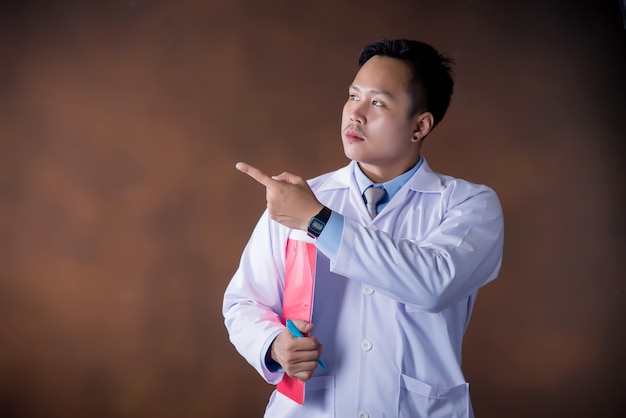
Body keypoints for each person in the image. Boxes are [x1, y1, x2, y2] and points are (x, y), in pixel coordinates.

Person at [223, 39, 504, 418]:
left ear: (419, 126)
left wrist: (317, 221)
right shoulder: (298, 198)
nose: (354, 113)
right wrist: (273, 344)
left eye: (377, 102)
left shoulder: (469, 205)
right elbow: (243, 302)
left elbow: (433, 283)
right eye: (352, 95)